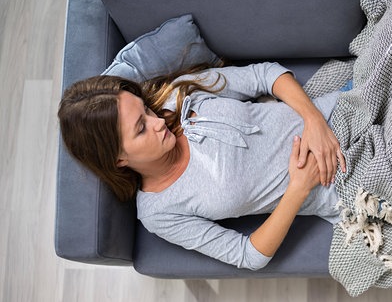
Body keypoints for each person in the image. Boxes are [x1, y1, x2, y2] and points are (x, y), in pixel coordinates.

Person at [58, 62, 348, 270]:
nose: (158, 122)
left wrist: (314, 122)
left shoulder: (178, 95)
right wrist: (297, 189)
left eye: (145, 109)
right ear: (119, 159)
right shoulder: (159, 212)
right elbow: (248, 256)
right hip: (345, 181)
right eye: (141, 128)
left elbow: (264, 74)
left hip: (342, 110)